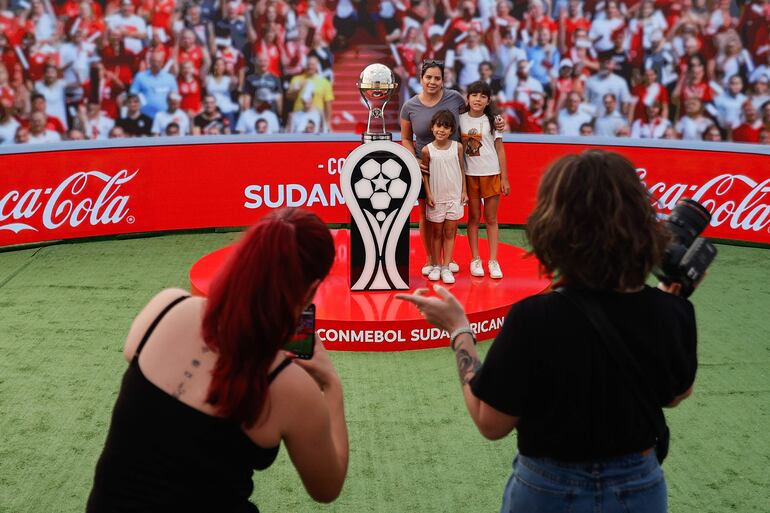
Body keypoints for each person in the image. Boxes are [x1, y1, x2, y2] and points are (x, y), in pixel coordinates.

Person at [397, 149, 698, 513]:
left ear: (553, 224)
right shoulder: (672, 311)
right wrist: (673, 306)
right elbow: (676, 393)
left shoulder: (534, 317)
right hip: (640, 485)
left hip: (548, 489)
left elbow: (490, 422)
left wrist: (459, 329)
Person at [87, 208, 349, 512]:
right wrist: (331, 385)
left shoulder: (163, 308)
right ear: (310, 290)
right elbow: (327, 487)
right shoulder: (288, 386)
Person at [401, 60, 505, 276]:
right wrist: (416, 161)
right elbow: (405, 139)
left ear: (443, 80)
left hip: (453, 167)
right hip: (425, 167)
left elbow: (475, 116)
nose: (432, 81)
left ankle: (448, 260)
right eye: (428, 77)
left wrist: (497, 121)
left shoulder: (455, 98)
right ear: (421, 79)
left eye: (437, 78)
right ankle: (431, 259)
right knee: (426, 215)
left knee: (450, 214)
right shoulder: (409, 106)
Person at [460, 81, 509, 280]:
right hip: (470, 175)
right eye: (474, 95)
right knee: (473, 219)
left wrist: (504, 177)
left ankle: (493, 261)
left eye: (482, 96)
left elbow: (500, 148)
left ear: (488, 100)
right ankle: (475, 259)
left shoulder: (494, 120)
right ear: (468, 97)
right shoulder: (460, 120)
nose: (477, 99)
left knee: (491, 219)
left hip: (491, 172)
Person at [422, 110, 467, 284]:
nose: (441, 130)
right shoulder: (427, 150)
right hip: (436, 198)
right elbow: (425, 174)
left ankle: (446, 266)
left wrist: (463, 191)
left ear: (451, 130)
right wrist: (428, 193)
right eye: (438, 126)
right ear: (432, 128)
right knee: (436, 233)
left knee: (449, 232)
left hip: (454, 197)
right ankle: (436, 265)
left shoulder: (458, 147)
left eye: (446, 127)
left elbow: (462, 170)